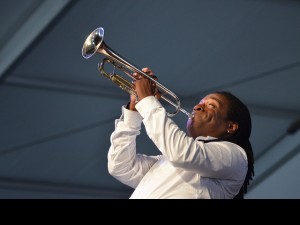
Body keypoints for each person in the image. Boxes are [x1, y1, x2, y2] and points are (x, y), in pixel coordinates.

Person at [107, 68, 254, 199]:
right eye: (200, 103)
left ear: (231, 126)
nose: (198, 107)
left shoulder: (236, 157)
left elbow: (182, 153)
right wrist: (134, 112)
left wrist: (147, 100)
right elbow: (121, 166)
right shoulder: (167, 160)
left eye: (211, 105)